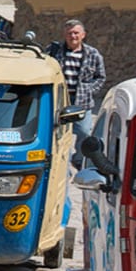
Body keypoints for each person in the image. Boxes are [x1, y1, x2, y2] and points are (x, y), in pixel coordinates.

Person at [46, 19, 106, 169]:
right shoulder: (54, 51)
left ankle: (78, 159)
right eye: (69, 33)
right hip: (59, 102)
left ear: (83, 35)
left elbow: (101, 77)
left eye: (76, 33)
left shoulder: (93, 54)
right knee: (56, 133)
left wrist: (89, 90)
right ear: (64, 35)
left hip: (82, 102)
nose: (73, 36)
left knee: (85, 133)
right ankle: (60, 162)